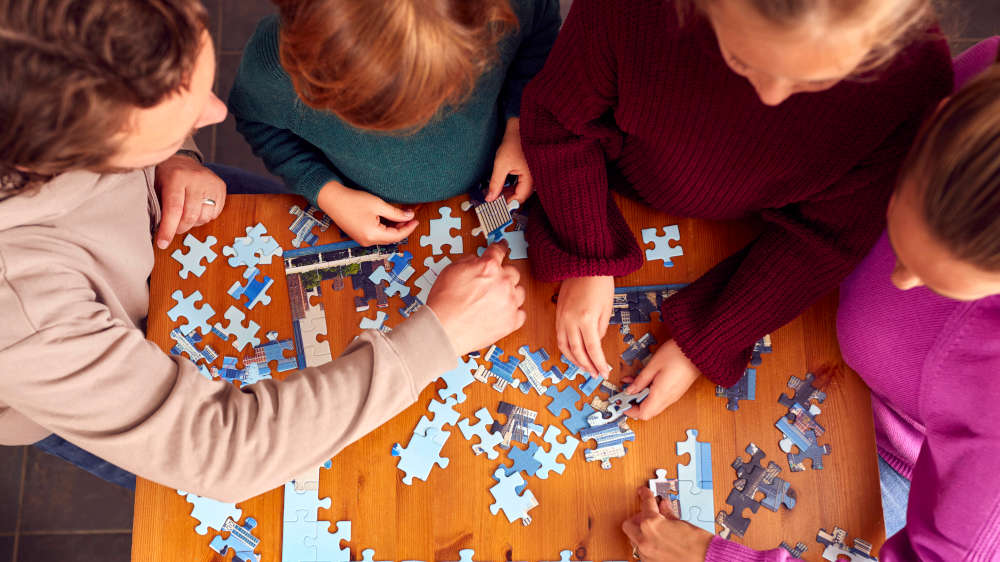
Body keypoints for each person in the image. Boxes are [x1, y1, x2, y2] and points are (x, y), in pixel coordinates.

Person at [0, 0, 525, 502]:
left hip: (172, 215)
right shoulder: (24, 313)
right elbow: (222, 452)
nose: (216, 111)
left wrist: (173, 155)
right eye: (179, 118)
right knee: (239, 498)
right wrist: (441, 335)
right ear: (80, 151)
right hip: (85, 383)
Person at [621, 41, 1000, 562]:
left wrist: (717, 559)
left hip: (891, 458)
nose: (900, 280)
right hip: (805, 305)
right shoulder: (975, 90)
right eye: (900, 232)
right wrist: (708, 333)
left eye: (941, 283)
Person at [519, 0, 954, 418]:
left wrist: (707, 339)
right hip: (610, 180)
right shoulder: (634, 9)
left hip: (750, 237)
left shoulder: (912, 77)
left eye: (814, 82)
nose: (770, 95)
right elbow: (559, 119)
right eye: (742, 60)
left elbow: (826, 241)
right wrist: (589, 256)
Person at [227, 0, 561, 247]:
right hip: (363, 203)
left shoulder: (507, 10)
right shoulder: (275, 68)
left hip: (498, 167)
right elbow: (259, 124)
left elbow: (540, 35)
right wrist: (328, 193)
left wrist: (519, 125)